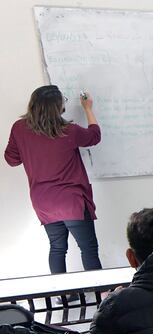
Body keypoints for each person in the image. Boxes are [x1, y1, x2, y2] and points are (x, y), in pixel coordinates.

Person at [4, 85, 103, 274]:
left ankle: (63, 297)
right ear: (58, 107)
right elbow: (94, 136)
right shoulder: (68, 130)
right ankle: (102, 295)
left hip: (43, 202)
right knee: (88, 249)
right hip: (71, 201)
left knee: (57, 249)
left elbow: (11, 160)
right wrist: (88, 109)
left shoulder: (19, 128)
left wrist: (30, 150)